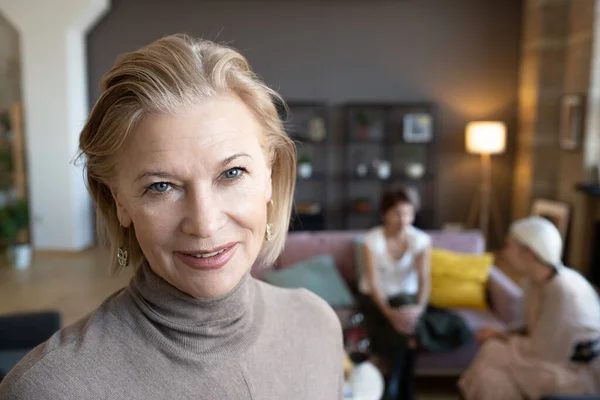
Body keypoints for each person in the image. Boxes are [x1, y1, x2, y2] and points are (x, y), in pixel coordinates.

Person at [0, 35, 344, 399]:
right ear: (119, 201)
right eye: (162, 186)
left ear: (270, 178)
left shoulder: (317, 325)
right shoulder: (50, 390)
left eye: (232, 174)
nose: (205, 223)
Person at [459, 216, 600, 399]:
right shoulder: (533, 282)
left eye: (509, 246)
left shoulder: (563, 290)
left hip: (572, 370)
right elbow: (532, 327)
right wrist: (501, 335)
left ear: (529, 254)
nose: (503, 252)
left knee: (491, 368)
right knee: (491, 360)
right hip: (545, 357)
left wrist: (502, 336)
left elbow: (546, 351)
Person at [358, 188, 471, 400]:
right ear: (384, 214)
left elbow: (424, 280)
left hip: (408, 303)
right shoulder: (371, 240)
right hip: (377, 301)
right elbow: (373, 284)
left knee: (406, 313)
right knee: (405, 326)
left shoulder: (420, 240)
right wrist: (390, 313)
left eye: (408, 213)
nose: (404, 220)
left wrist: (418, 310)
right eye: (397, 213)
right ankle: (406, 388)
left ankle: (393, 387)